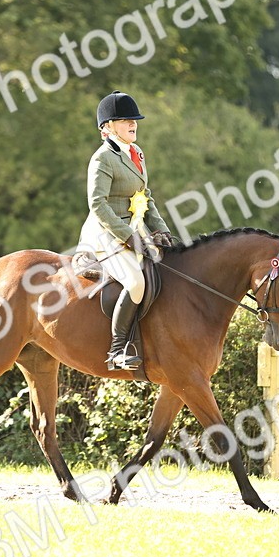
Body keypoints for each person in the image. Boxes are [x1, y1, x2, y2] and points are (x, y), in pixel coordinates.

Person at [78, 90, 176, 370]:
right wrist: (128, 237)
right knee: (136, 282)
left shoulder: (137, 153)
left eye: (134, 119)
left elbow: (146, 198)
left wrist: (162, 230)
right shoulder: (102, 159)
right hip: (105, 233)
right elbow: (98, 205)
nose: (133, 123)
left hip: (134, 229)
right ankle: (117, 351)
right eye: (125, 120)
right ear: (107, 127)